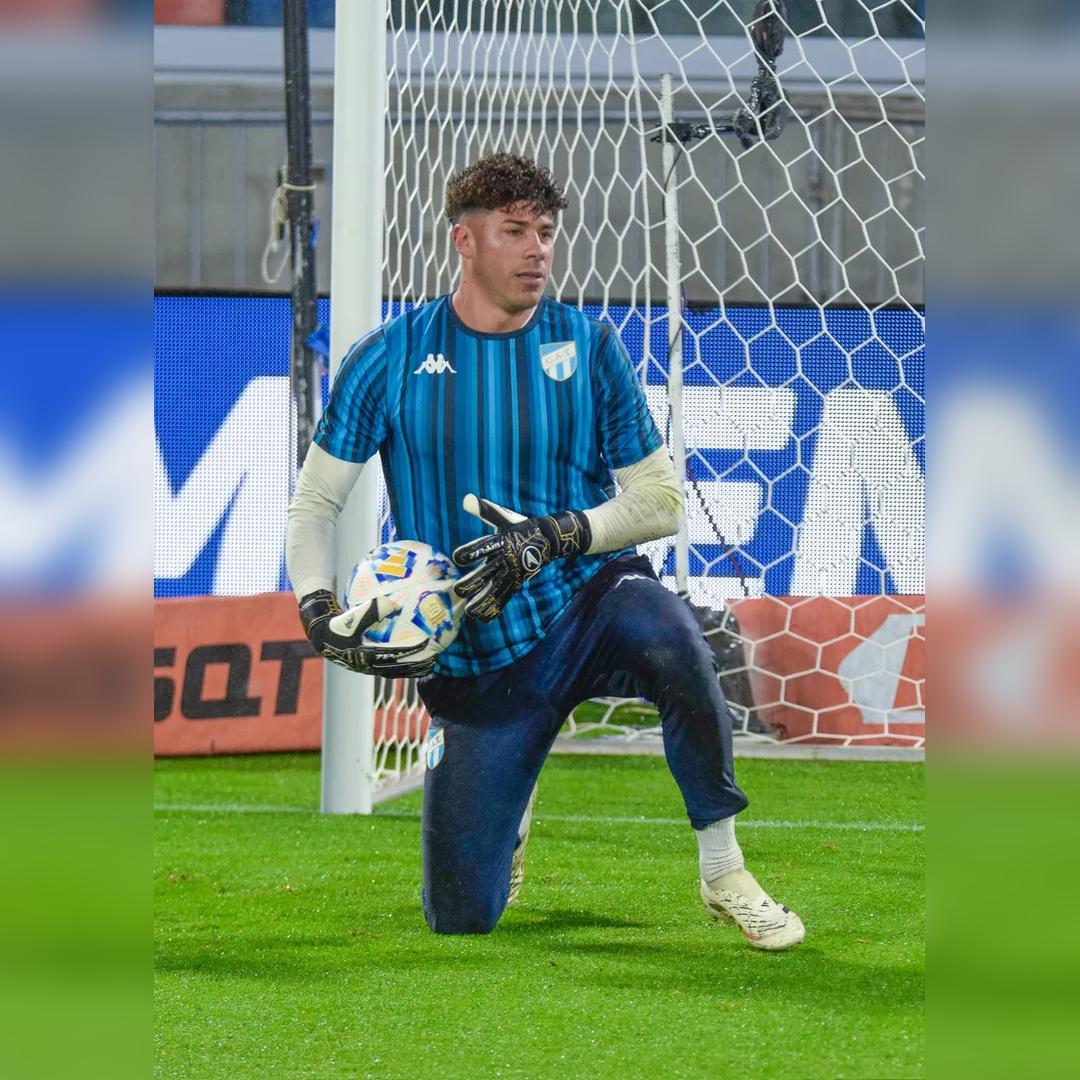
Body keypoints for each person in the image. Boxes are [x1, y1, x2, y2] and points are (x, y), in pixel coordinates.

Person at [286, 152, 804, 949]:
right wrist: (317, 606)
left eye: (547, 233)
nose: (537, 250)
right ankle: (512, 801)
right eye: (515, 232)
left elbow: (660, 500)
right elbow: (317, 503)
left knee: (675, 638)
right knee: (461, 919)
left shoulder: (587, 346)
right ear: (464, 240)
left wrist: (556, 535)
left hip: (588, 601)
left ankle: (724, 868)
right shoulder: (388, 357)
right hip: (479, 656)